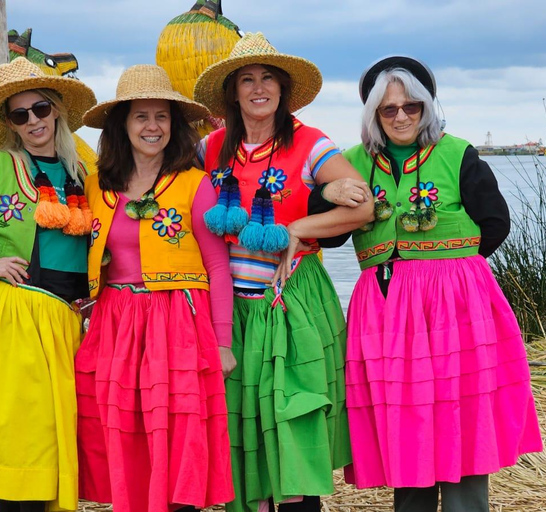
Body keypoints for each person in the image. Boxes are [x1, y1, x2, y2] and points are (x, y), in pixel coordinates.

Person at [340, 56, 544, 512]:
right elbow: (331, 233)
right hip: (388, 312)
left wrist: (452, 272)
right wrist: (331, 194)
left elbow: (496, 223)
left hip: (455, 307)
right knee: (407, 421)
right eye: (388, 109)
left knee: (463, 412)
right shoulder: (352, 164)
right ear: (373, 114)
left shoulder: (458, 154)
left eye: (411, 107)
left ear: (427, 108)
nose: (400, 117)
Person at [192, 32, 373, 512]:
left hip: (290, 299)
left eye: (267, 78)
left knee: (292, 422)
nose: (258, 88)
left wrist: (301, 226)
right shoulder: (210, 149)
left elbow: (362, 205)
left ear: (282, 89)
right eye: (247, 79)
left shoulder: (311, 143)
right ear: (232, 91)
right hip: (233, 306)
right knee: (243, 429)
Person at [74, 64, 235, 512]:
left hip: (178, 324)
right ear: (121, 125)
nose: (152, 126)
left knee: (181, 437)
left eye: (161, 116)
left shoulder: (193, 185)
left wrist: (222, 343)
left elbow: (217, 266)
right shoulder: (95, 188)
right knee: (126, 439)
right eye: (141, 116)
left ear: (174, 125)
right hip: (115, 325)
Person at [0, 56, 96, 512]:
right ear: (11, 124)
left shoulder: (84, 166)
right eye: (20, 115)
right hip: (22, 311)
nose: (33, 121)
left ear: (55, 108)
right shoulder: (3, 165)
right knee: (28, 428)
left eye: (40, 109)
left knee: (63, 427)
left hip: (71, 316)